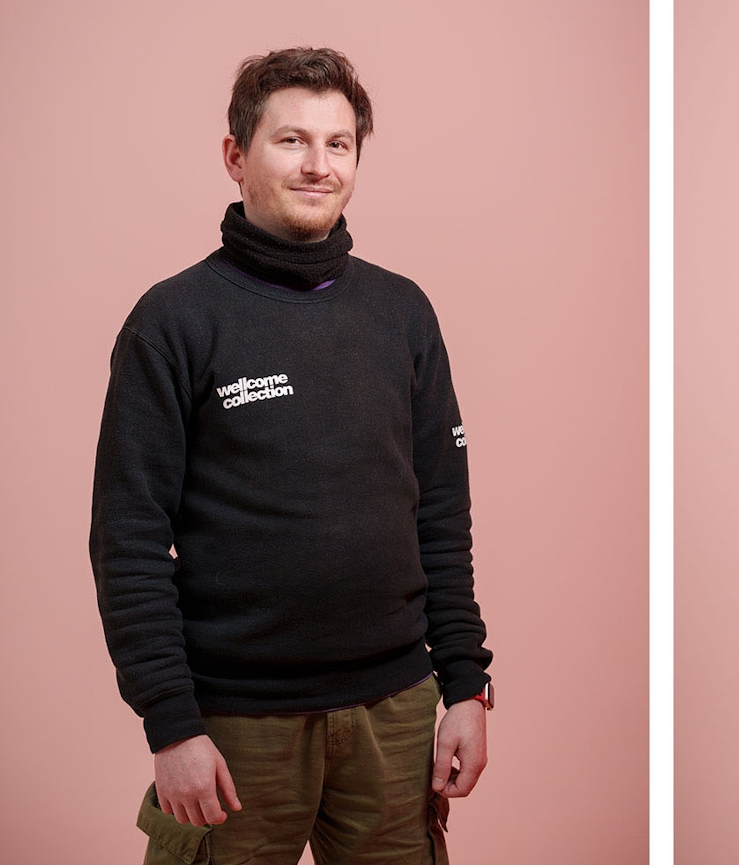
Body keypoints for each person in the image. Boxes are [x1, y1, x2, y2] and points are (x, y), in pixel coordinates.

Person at [90, 47, 492, 865]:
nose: (318, 165)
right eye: (291, 141)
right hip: (236, 726)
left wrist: (466, 684)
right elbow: (127, 542)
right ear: (237, 157)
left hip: (397, 712)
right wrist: (172, 724)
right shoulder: (173, 322)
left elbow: (443, 517)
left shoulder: (402, 313)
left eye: (338, 144)